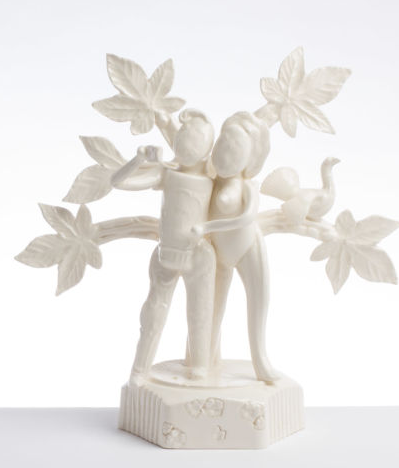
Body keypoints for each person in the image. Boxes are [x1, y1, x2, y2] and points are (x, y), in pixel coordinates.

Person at [111, 109, 216, 384]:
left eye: (195, 138)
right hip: (165, 252)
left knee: (200, 313)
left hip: (199, 255)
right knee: (153, 313)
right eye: (184, 135)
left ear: (206, 148)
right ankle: (139, 369)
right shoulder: (166, 174)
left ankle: (200, 367)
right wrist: (138, 159)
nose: (187, 142)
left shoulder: (212, 179)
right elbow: (118, 182)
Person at [193, 111, 277, 383]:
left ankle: (260, 361)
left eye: (235, 147)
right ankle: (203, 358)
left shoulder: (248, 187)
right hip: (217, 255)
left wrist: (207, 227)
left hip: (249, 249)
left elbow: (246, 218)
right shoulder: (210, 182)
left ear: (250, 159)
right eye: (222, 142)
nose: (224, 152)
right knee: (210, 309)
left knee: (257, 307)